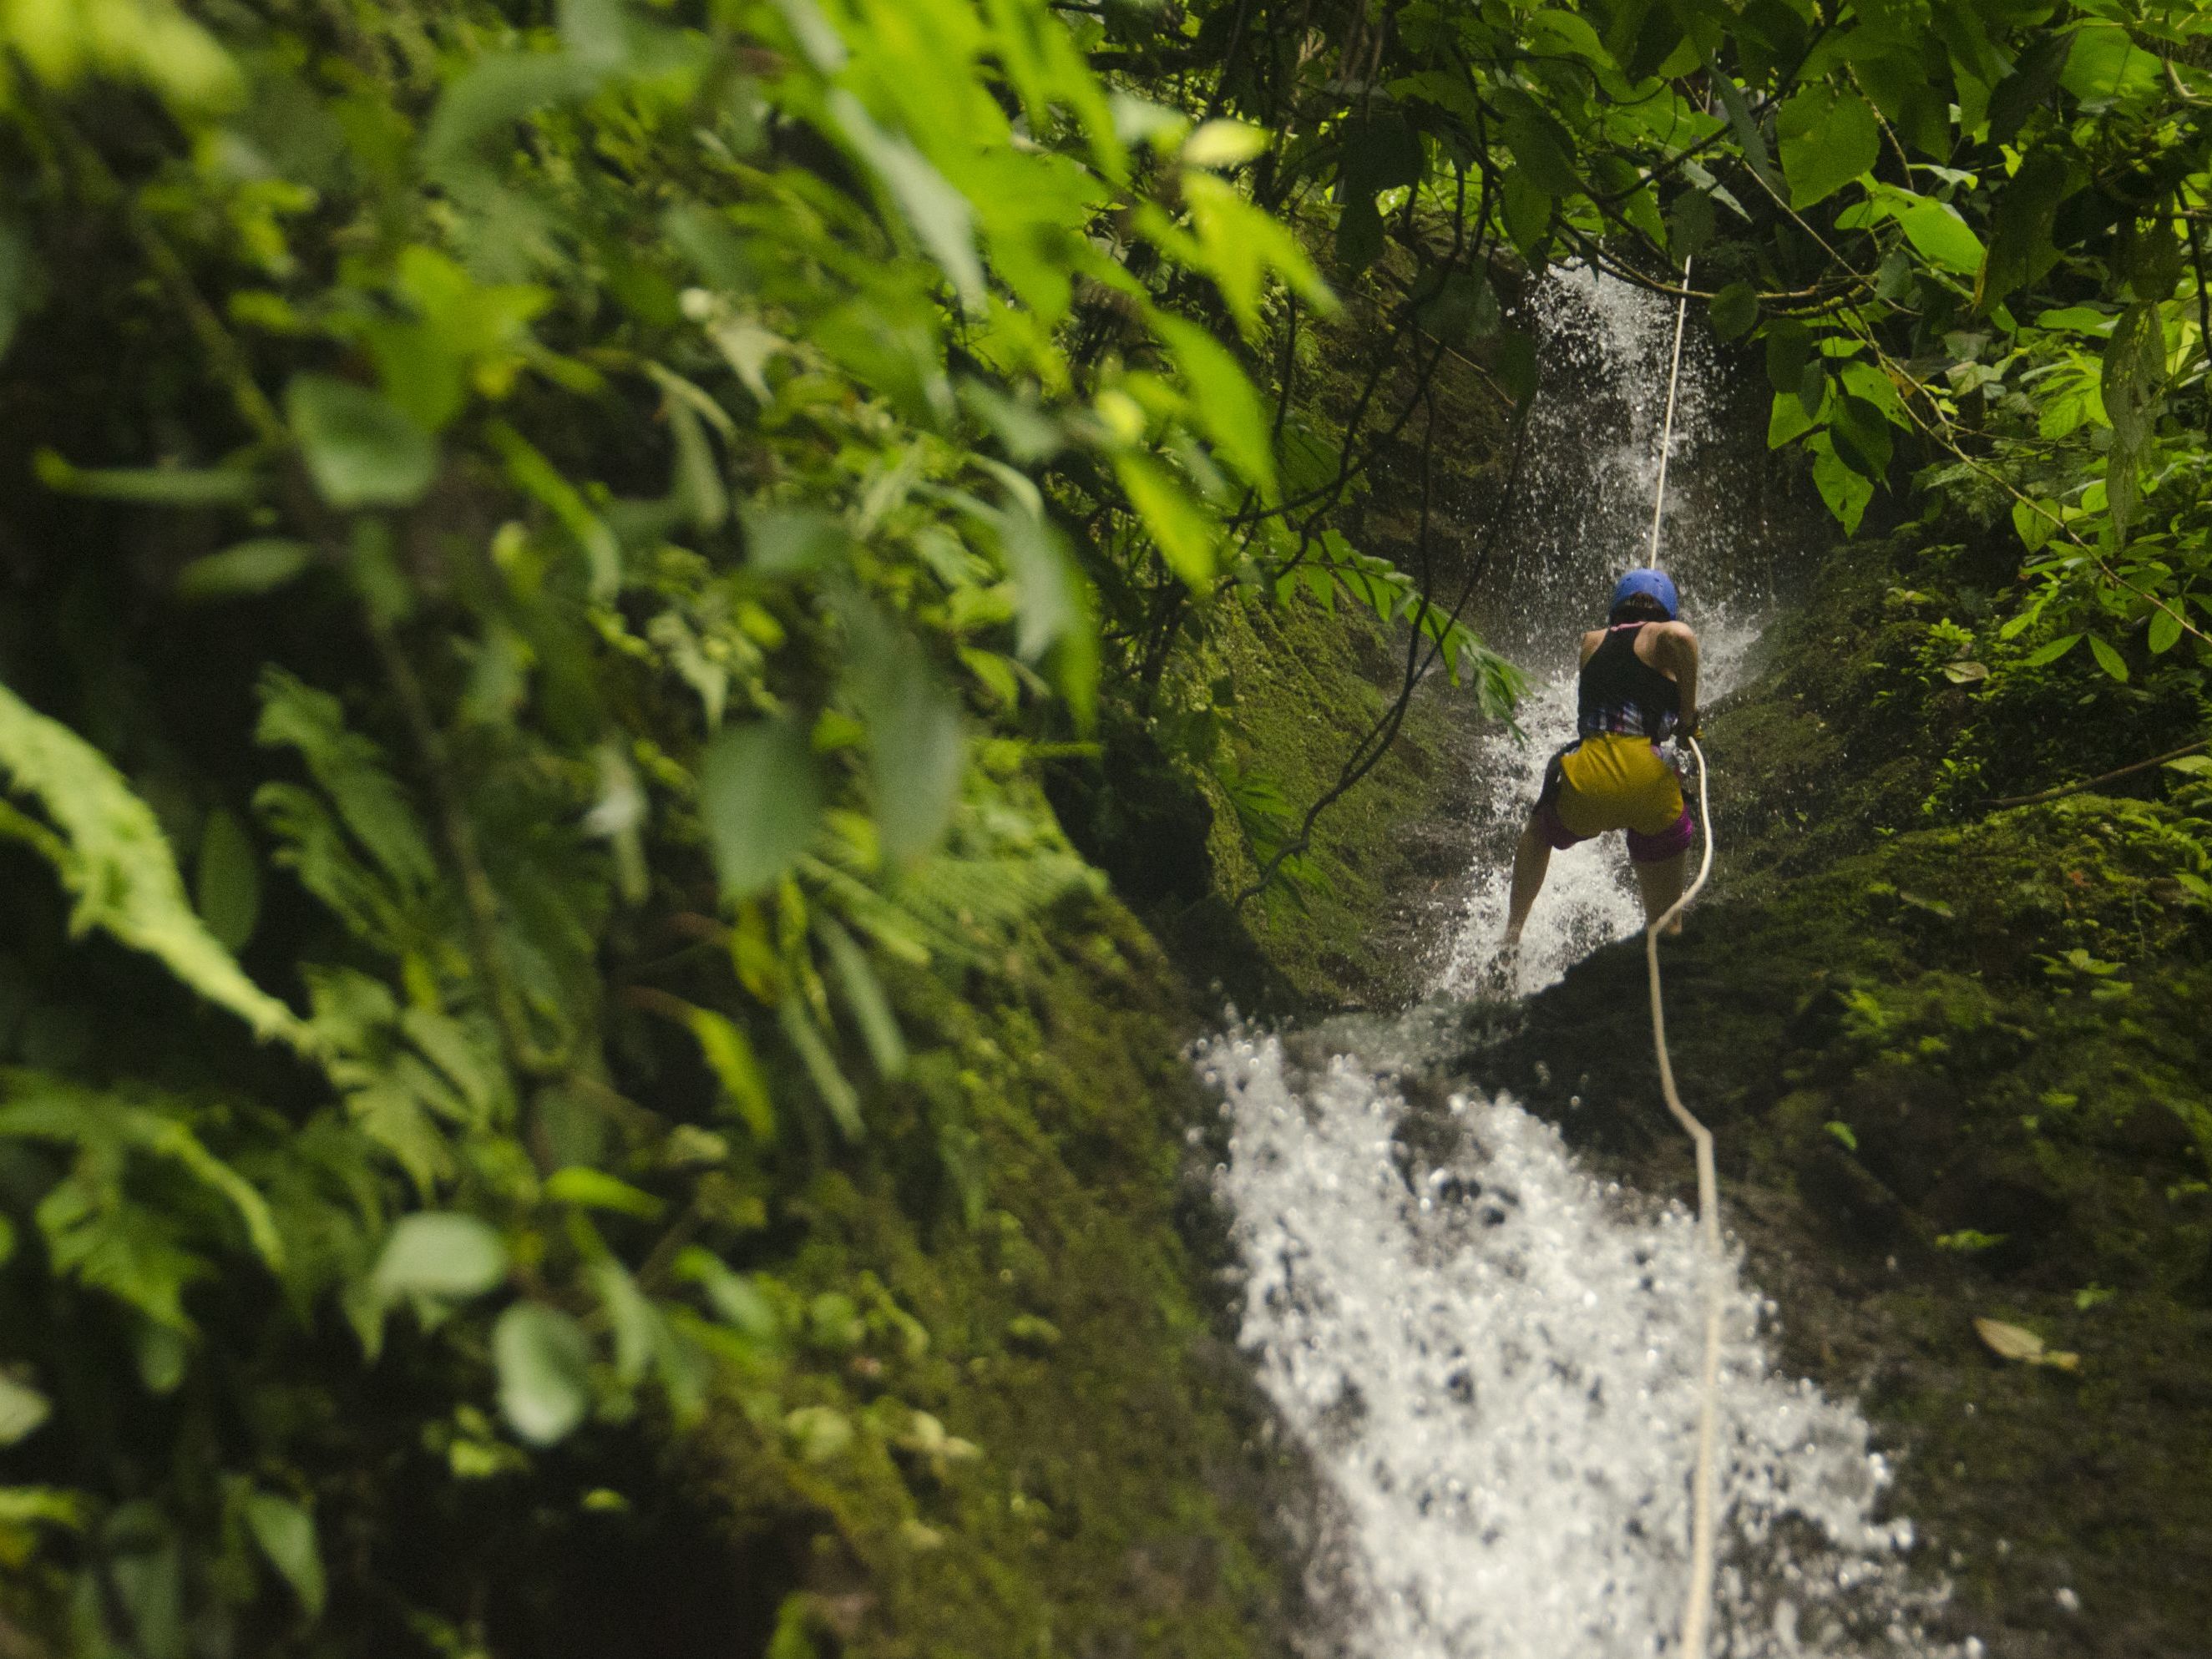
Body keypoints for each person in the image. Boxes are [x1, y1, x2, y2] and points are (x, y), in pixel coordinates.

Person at [1504, 568, 1702, 953]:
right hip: (1648, 779)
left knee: (1540, 831)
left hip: (1589, 779)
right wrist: (1688, 714)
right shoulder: (1661, 636)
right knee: (1666, 922)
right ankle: (1664, 966)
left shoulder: (1590, 642)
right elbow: (1681, 637)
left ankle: (1512, 936)